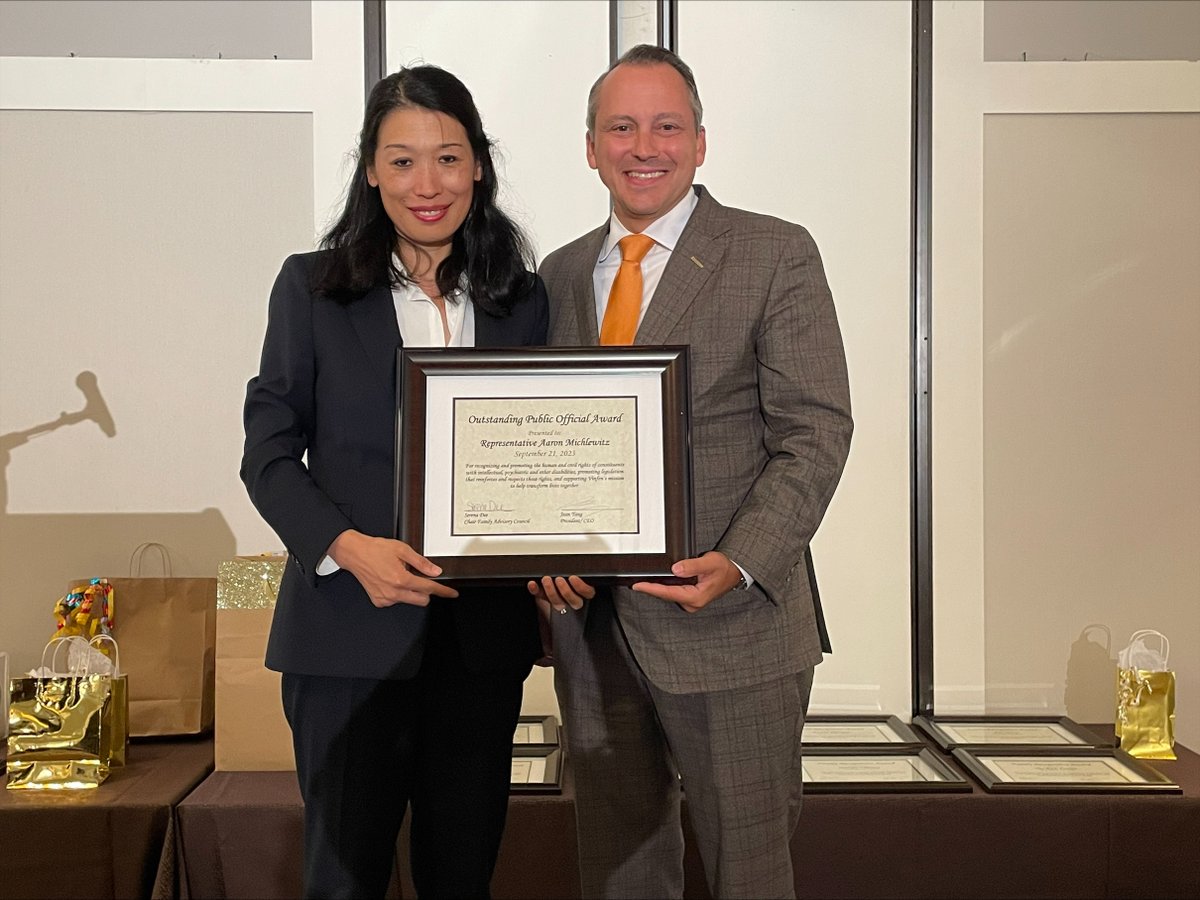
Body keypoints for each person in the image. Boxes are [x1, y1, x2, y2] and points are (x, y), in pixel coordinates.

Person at [531, 45, 853, 899]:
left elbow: (815, 431)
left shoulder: (774, 253)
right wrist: (544, 548)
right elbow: (544, 443)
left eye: (667, 126)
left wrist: (742, 561)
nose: (646, 146)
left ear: (701, 142)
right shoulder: (557, 276)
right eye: (622, 127)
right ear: (590, 146)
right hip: (594, 639)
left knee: (749, 874)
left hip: (734, 628)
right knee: (620, 875)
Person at [240, 65, 547, 899]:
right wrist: (347, 549)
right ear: (370, 169)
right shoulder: (312, 287)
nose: (427, 183)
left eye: (448, 157)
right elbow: (267, 452)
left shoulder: (523, 300)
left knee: (463, 876)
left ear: (478, 165)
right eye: (402, 160)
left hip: (479, 644)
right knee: (343, 883)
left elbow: (543, 456)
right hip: (345, 635)